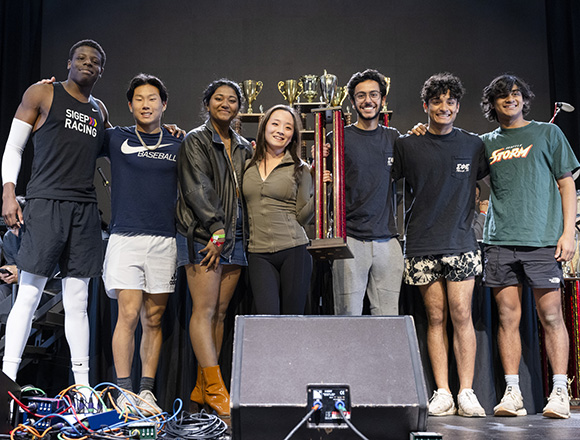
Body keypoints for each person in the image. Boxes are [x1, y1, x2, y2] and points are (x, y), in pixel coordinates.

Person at [1, 39, 109, 386]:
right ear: (68, 63)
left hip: (83, 209)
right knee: (30, 293)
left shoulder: (99, 111)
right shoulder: (43, 93)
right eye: (81, 58)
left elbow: (118, 148)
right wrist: (8, 192)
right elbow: (15, 146)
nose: (87, 63)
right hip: (46, 203)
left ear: (100, 71)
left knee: (77, 300)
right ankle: (6, 381)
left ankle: (82, 388)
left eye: (94, 61)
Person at [480, 74, 579, 419]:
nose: (511, 99)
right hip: (499, 241)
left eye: (516, 94)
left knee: (551, 315)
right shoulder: (485, 143)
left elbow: (566, 184)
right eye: (503, 96)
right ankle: (513, 393)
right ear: (492, 104)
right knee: (508, 318)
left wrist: (568, 234)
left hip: (541, 242)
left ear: (524, 99)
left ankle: (560, 392)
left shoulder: (548, 133)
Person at [393, 73, 489, 417]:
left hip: (461, 243)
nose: (443, 107)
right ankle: (443, 392)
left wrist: (479, 220)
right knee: (435, 318)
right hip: (420, 243)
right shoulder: (407, 145)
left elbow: (487, 188)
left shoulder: (474, 145)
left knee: (462, 316)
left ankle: (467, 392)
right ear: (426, 106)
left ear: (458, 107)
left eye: (450, 101)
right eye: (437, 101)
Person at [101, 74, 180, 414]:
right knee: (128, 314)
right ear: (130, 105)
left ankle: (146, 392)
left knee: (154, 318)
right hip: (125, 238)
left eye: (152, 99)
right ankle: (124, 393)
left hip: (165, 239)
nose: (146, 104)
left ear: (164, 104)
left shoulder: (180, 143)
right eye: (139, 99)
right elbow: (78, 130)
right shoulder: (115, 138)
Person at [176, 79, 253, 418]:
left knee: (220, 314)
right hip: (206, 234)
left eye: (232, 99)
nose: (226, 104)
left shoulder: (242, 145)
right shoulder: (195, 140)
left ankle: (201, 386)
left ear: (239, 106)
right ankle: (218, 388)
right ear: (207, 103)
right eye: (219, 98)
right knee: (204, 312)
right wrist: (216, 230)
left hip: (235, 235)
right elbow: (197, 189)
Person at [243, 105, 329, 314]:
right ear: (264, 128)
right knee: (266, 318)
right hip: (258, 253)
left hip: (294, 250)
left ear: (293, 136)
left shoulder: (301, 168)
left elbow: (302, 217)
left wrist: (321, 194)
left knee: (293, 320)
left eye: (288, 127)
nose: (281, 130)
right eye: (275, 124)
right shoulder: (247, 165)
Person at [332, 69, 403, 316]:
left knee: (388, 320)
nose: (368, 101)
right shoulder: (339, 137)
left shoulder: (395, 139)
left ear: (383, 100)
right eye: (360, 96)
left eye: (373, 95)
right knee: (347, 318)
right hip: (350, 240)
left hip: (388, 241)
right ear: (352, 102)